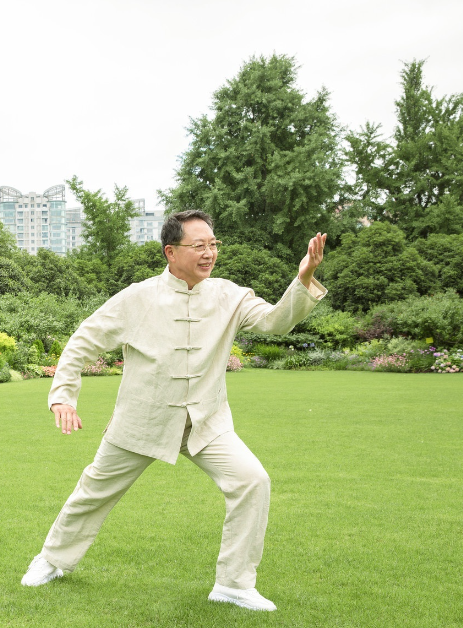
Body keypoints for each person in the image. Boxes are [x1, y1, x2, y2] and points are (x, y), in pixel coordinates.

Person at [20, 210, 327, 612]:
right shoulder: (137, 297)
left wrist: (303, 278)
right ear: (171, 251)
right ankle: (52, 560)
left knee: (253, 480)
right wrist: (63, 395)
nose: (209, 253)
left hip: (206, 421)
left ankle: (234, 584)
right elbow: (83, 342)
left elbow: (274, 322)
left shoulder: (229, 295)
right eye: (198, 246)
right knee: (94, 491)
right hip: (142, 420)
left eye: (213, 245)